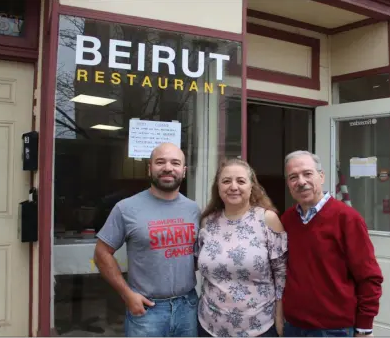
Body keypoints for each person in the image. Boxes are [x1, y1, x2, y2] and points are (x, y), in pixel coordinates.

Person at [93, 143, 201, 337]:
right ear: (149, 168)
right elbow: (102, 253)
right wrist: (127, 294)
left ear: (183, 171)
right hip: (147, 309)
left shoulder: (194, 210)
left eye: (175, 163)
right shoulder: (125, 208)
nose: (168, 167)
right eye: (160, 162)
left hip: (188, 306)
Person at [281, 151, 384, 337]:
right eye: (293, 177)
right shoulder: (287, 220)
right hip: (293, 326)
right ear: (288, 184)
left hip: (334, 330)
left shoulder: (347, 219)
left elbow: (369, 277)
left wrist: (364, 327)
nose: (301, 181)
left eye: (307, 173)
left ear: (321, 176)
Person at [196, 158, 287, 337]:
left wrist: (279, 315)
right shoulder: (208, 222)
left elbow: (282, 275)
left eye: (241, 181)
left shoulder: (267, 220)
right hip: (209, 326)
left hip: (259, 327)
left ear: (252, 186)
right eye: (226, 181)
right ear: (218, 187)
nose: (233, 186)